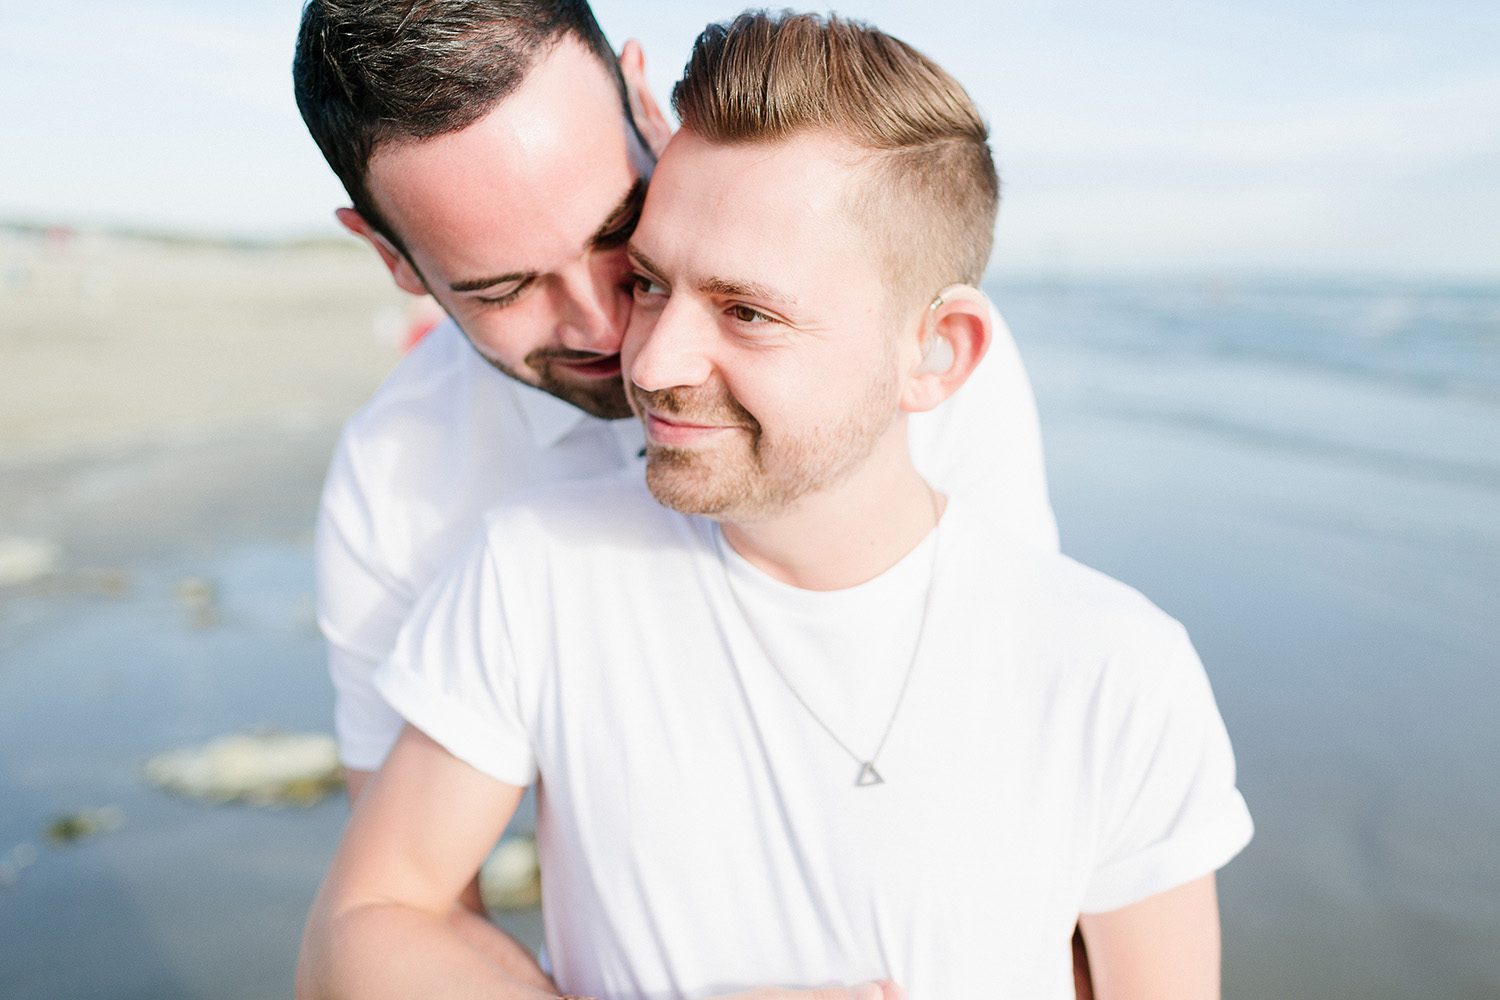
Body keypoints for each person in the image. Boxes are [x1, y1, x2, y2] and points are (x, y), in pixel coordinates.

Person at [296, 11, 1253, 1000]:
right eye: (503, 287)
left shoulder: (1099, 635)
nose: (622, 337)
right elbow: (384, 919)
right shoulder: (428, 504)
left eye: (624, 239)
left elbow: (1013, 753)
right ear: (394, 258)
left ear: (639, 101)